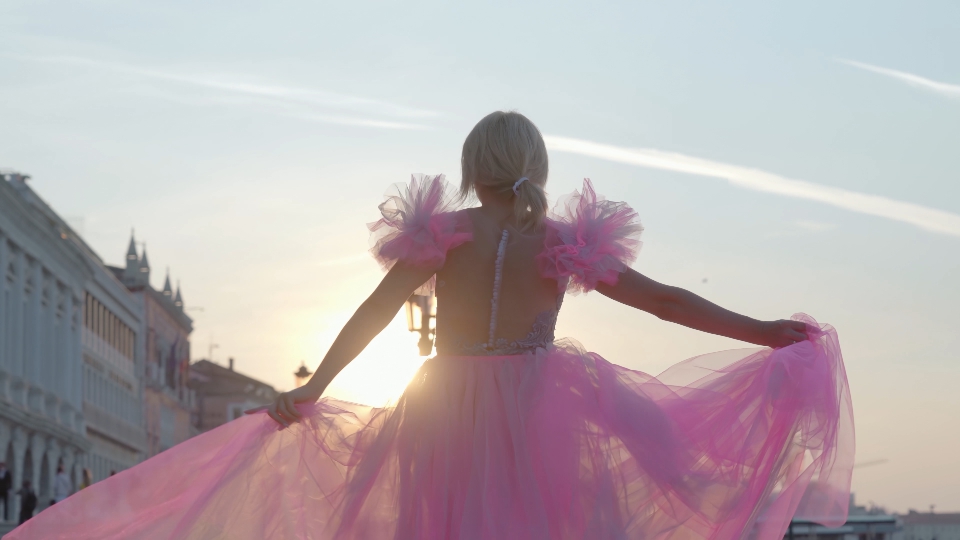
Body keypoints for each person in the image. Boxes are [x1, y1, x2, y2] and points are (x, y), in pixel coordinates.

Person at [5, 111, 854, 539]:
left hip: (444, 400)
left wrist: (319, 385)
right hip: (538, 399)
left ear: (472, 168)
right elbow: (665, 299)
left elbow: (373, 314)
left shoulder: (443, 236)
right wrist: (764, 332)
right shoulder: (559, 241)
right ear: (535, 168)